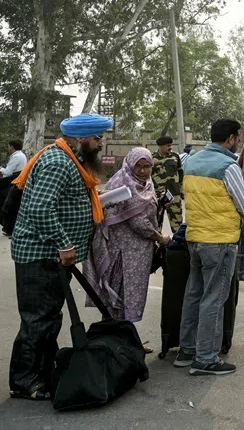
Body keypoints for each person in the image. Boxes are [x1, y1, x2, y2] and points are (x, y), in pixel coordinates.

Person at [8, 113, 112, 401]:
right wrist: (65, 244)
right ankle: (24, 381)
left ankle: (42, 372)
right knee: (38, 320)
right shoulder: (57, 162)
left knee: (49, 318)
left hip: (53, 257)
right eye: (98, 138)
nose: (101, 143)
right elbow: (41, 209)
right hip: (41, 255)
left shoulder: (70, 161)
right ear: (80, 138)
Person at [176, 119, 244, 375]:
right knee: (214, 298)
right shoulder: (227, 166)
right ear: (232, 138)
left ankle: (186, 350)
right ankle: (206, 358)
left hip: (195, 238)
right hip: (220, 241)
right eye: (238, 138)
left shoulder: (190, 162)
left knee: (194, 295)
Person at [82, 148, 171, 337]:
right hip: (124, 251)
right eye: (138, 166)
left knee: (126, 294)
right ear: (130, 164)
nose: (143, 171)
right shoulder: (124, 182)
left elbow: (146, 211)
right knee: (121, 294)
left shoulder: (145, 183)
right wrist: (160, 238)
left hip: (137, 252)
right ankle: (119, 340)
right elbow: (138, 222)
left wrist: (161, 204)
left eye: (147, 166)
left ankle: (123, 338)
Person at [152, 136, 184, 230]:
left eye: (170, 145)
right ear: (161, 146)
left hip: (174, 194)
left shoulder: (175, 156)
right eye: (167, 145)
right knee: (156, 223)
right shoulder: (152, 158)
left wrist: (182, 190)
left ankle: (177, 243)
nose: (170, 147)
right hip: (159, 195)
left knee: (177, 223)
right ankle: (158, 243)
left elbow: (180, 174)